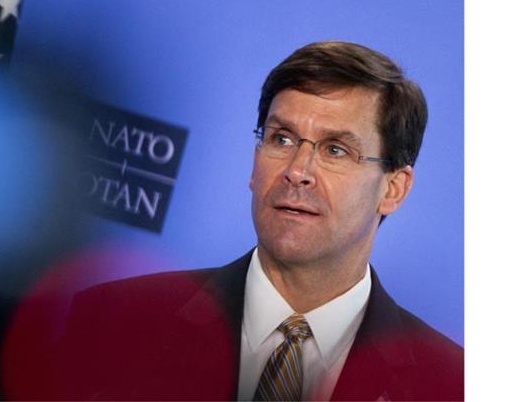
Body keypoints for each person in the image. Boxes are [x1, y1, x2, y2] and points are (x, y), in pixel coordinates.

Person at [25, 41, 463, 401]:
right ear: (255, 162)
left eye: (335, 150)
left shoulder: (451, 385)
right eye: (282, 139)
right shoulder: (112, 322)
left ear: (394, 188)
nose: (297, 170)